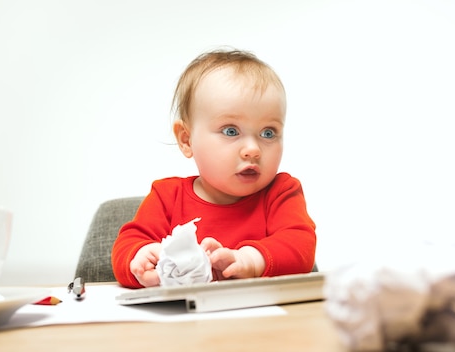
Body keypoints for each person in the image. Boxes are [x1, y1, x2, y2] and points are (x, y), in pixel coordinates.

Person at [111, 48, 316, 288]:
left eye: (268, 133)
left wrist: (251, 259)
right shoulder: (167, 196)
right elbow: (127, 245)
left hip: (262, 321)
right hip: (183, 322)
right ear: (187, 140)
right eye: (231, 131)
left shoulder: (281, 192)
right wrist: (142, 256)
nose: (253, 149)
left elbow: (300, 247)